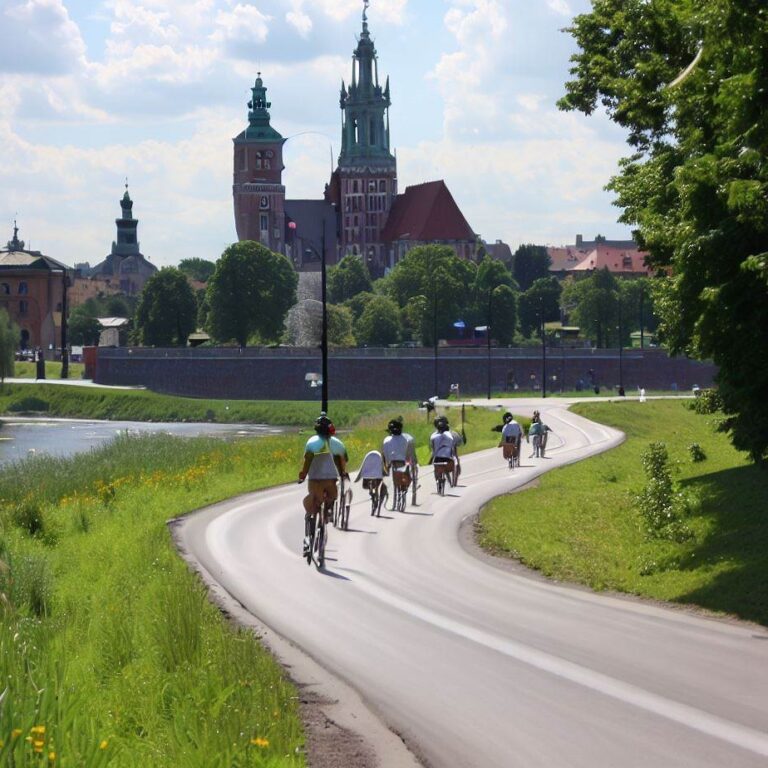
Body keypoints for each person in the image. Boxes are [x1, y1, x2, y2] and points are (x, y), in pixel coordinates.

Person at [298, 413, 348, 555]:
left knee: (312, 505)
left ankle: (308, 536)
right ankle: (328, 512)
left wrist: (302, 475)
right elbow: (342, 461)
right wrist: (342, 473)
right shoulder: (337, 444)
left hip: (314, 480)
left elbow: (307, 462)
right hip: (330, 480)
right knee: (332, 496)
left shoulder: (311, 442)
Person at [382, 417, 418, 502]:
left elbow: (385, 454)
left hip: (392, 463)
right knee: (407, 475)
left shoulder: (386, 441)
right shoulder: (406, 440)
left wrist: (387, 463)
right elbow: (409, 454)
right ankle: (405, 486)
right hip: (403, 462)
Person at [429, 415, 456, 485]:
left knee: (436, 468)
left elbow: (433, 449)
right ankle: (450, 481)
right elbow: (452, 447)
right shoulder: (450, 435)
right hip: (448, 458)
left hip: (437, 458)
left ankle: (438, 481)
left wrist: (431, 459)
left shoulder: (433, 436)